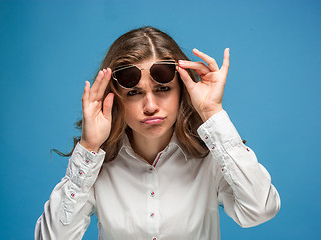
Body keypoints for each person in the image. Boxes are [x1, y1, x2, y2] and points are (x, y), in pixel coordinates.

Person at [35, 26, 280, 240]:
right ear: (115, 98)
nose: (150, 105)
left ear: (182, 90)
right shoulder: (96, 168)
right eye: (134, 92)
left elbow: (261, 210)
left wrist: (212, 113)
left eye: (163, 88)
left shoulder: (211, 159)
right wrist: (89, 148)